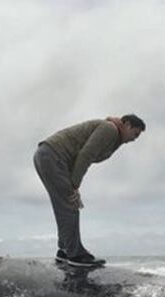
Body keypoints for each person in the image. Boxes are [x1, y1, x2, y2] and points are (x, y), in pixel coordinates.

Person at [33, 114, 145, 267]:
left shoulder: (114, 136)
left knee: (65, 205)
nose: (135, 139)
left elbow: (81, 156)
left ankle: (65, 251)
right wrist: (75, 185)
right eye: (135, 134)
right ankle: (75, 255)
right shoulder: (110, 130)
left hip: (49, 156)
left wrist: (73, 185)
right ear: (126, 124)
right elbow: (86, 155)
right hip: (52, 155)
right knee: (70, 205)